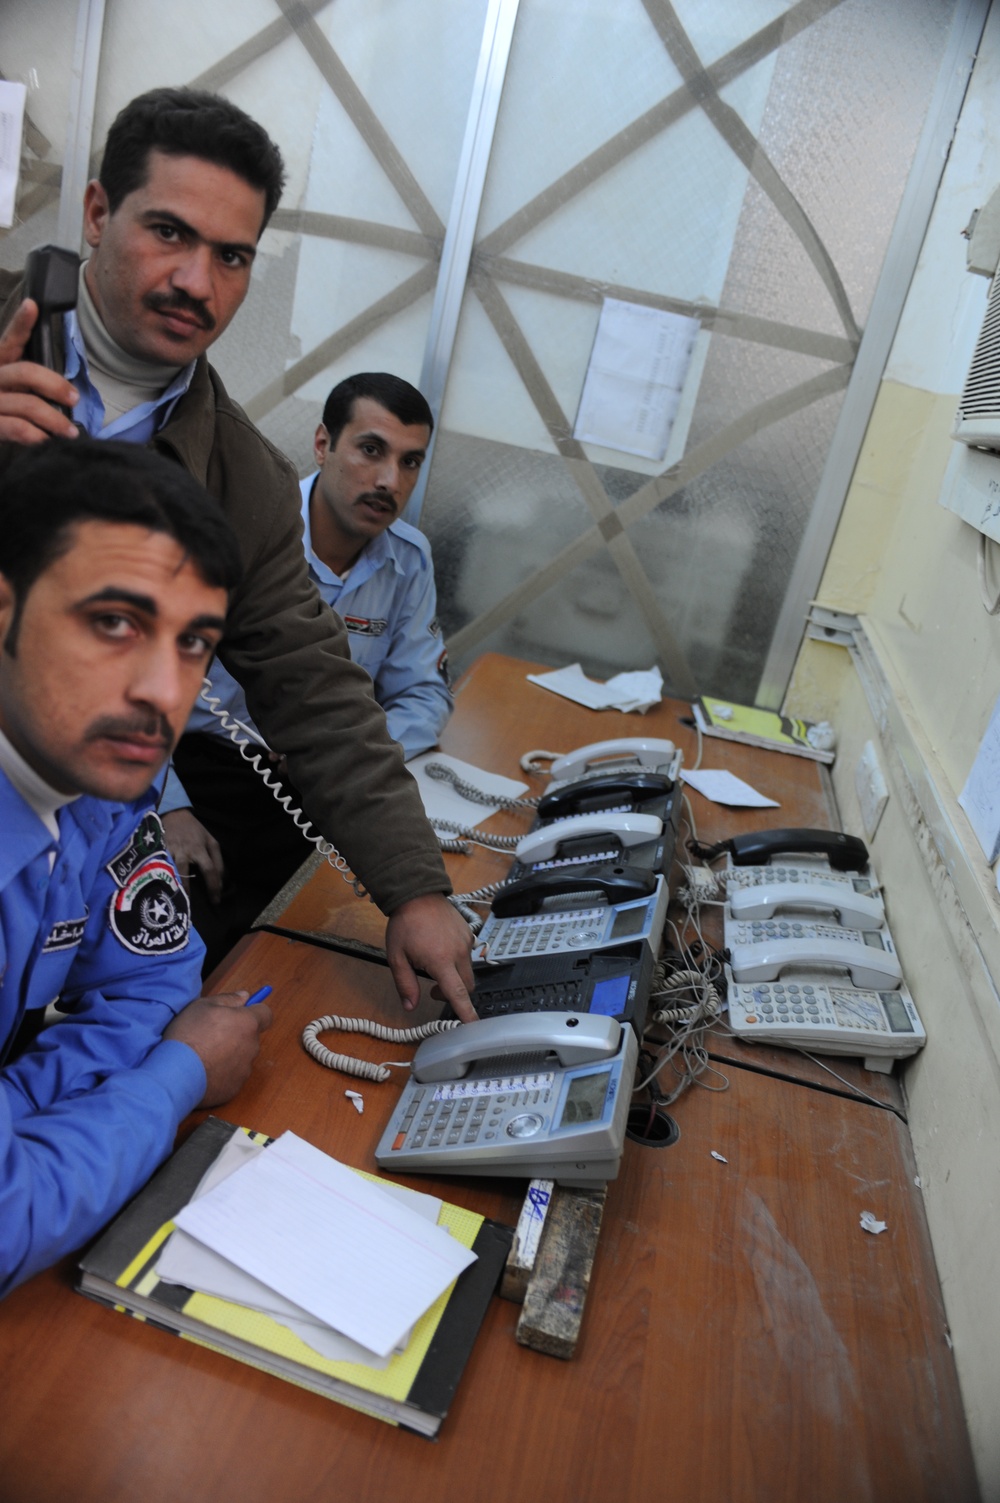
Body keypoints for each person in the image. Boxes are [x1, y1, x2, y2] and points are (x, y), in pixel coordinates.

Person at [0, 86, 476, 1021]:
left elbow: (314, 682)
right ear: (97, 213)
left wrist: (414, 888)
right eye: (168, 233)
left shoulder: (240, 472)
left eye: (231, 255)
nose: (196, 282)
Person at [0, 437, 272, 1297]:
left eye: (194, 643)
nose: (164, 690)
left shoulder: (99, 783)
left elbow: (154, 978)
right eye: (115, 623)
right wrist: (173, 1076)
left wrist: (13, 1108)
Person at [160, 371, 454, 970]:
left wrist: (346, 751)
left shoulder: (408, 560)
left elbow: (423, 693)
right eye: (371, 450)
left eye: (410, 463)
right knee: (187, 951)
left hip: (310, 784)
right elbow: (124, 685)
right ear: (323, 444)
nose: (387, 481)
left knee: (321, 953)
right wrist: (165, 806)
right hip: (196, 769)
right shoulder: (245, 533)